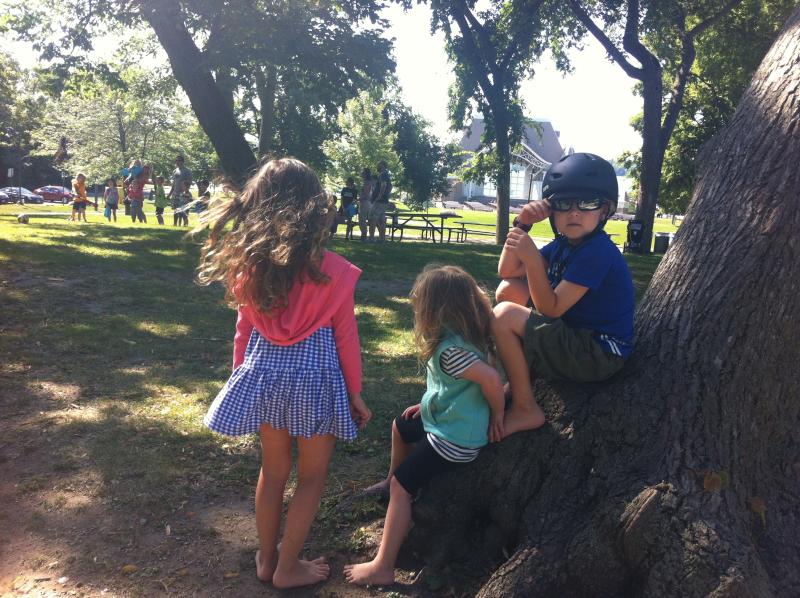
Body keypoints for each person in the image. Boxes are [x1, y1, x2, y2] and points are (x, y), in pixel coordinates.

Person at [198, 158, 371, 589]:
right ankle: (287, 567)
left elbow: (243, 332)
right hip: (316, 383)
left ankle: (267, 558)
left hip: (265, 379)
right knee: (311, 477)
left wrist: (242, 380)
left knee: (272, 473)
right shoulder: (335, 271)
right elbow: (346, 337)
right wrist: (354, 392)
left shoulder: (250, 270)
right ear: (314, 209)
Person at [345, 265, 504, 586]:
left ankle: (383, 566)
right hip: (447, 421)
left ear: (437, 310)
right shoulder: (457, 338)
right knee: (401, 426)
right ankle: (389, 480)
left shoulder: (451, 351)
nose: (416, 308)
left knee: (402, 488)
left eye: (420, 304)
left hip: (455, 439)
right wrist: (428, 402)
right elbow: (454, 386)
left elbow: (490, 379)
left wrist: (498, 414)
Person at [492, 152, 635, 437]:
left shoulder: (597, 251)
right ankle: (521, 377)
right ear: (550, 210)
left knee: (504, 316)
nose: (574, 212)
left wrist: (533, 261)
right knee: (509, 290)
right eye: (563, 203)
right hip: (577, 335)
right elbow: (507, 271)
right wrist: (523, 223)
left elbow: (552, 308)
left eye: (587, 203)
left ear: (604, 210)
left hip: (598, 353)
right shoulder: (564, 246)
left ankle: (524, 408)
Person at [368, 160, 392, 242]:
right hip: (384, 201)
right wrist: (386, 195)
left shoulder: (383, 174)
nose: (377, 166)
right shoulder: (387, 175)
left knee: (372, 218)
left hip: (379, 201)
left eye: (378, 165)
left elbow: (384, 185)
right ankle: (382, 238)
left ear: (382, 165)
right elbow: (390, 187)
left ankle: (371, 238)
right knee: (381, 220)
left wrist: (379, 196)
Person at [357, 168, 375, 241]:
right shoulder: (371, 182)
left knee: (362, 220)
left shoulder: (367, 182)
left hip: (365, 202)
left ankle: (364, 235)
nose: (361, 173)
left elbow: (366, 194)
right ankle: (368, 236)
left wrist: (359, 199)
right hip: (369, 203)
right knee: (367, 220)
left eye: (363, 172)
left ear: (366, 174)